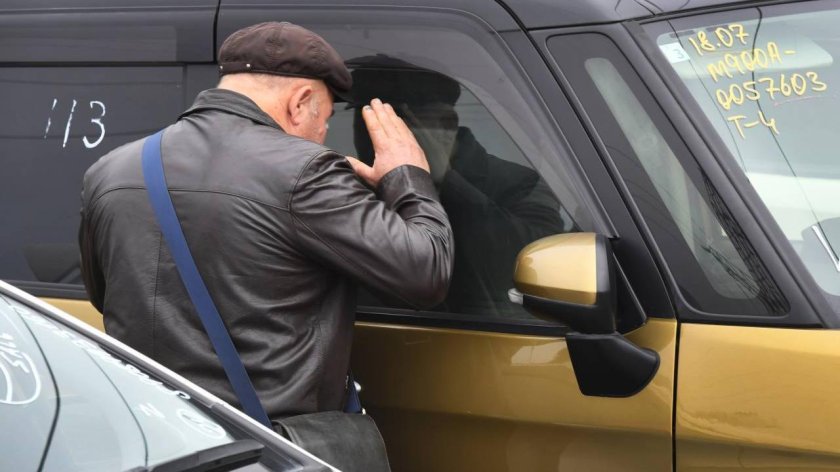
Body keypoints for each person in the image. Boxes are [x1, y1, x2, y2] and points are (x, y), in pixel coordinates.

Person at [78, 22, 453, 421]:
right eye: (325, 117)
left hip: (155, 431)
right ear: (300, 102)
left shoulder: (110, 170)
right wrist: (407, 176)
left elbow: (106, 294)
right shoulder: (305, 171)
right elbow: (425, 272)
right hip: (268, 440)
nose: (323, 134)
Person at [348, 57, 571, 317]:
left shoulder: (520, 182)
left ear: (446, 125)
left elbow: (531, 265)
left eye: (389, 124)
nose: (370, 136)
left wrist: (442, 181)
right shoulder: (344, 185)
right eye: (363, 121)